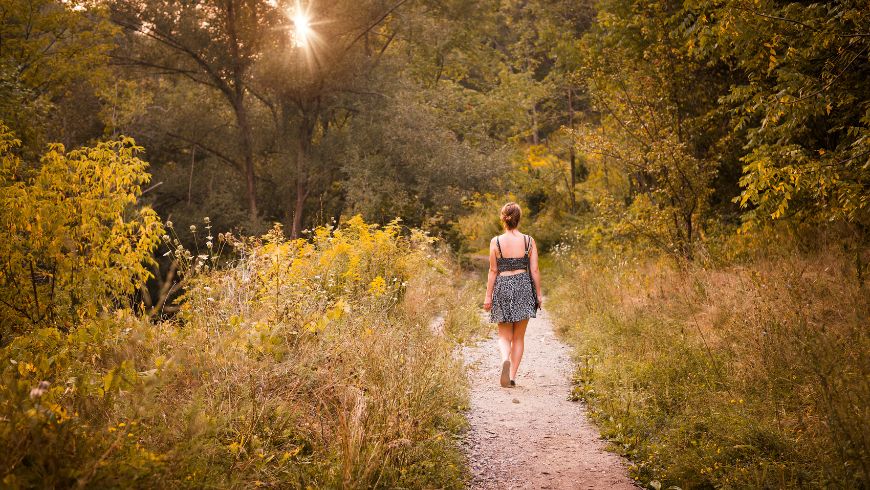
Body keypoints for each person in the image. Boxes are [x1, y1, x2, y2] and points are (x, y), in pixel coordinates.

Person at [483, 202, 543, 388]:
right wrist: (539, 295)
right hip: (523, 286)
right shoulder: (529, 241)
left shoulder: (496, 241)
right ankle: (512, 376)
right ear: (519, 218)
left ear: (503, 218)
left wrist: (488, 297)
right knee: (518, 337)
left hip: (503, 285)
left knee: (504, 335)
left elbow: (493, 271)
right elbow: (534, 270)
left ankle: (504, 359)